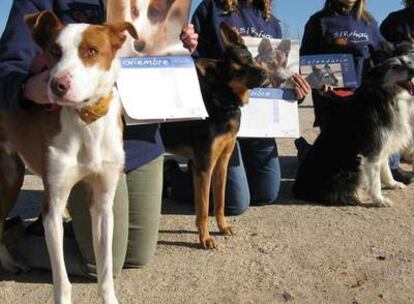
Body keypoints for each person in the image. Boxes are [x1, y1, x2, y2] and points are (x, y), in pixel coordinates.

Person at [0, 0, 164, 279]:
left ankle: (46, 226)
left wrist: (181, 48)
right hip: (70, 133)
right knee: (98, 264)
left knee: (137, 255)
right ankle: (13, 242)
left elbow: (166, 51)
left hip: (139, 134)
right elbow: (7, 67)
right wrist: (27, 87)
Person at [167, 0, 310, 215]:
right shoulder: (211, 8)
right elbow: (195, 63)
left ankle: (235, 178)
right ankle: (173, 178)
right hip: (219, 118)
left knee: (266, 193)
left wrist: (295, 92)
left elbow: (278, 79)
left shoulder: (270, 21)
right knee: (235, 203)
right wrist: (186, 47)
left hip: (259, 124)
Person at [297, 0, 413, 184]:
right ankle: (306, 152)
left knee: (378, 148)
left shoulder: (368, 22)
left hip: (364, 102)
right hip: (332, 103)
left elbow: (385, 55)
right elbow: (305, 62)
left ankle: (391, 166)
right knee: (337, 165)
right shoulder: (318, 21)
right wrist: (319, 83)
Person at [379, 0, 414, 183]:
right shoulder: (395, 20)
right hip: (399, 85)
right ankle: (392, 164)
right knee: (395, 126)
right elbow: (379, 52)